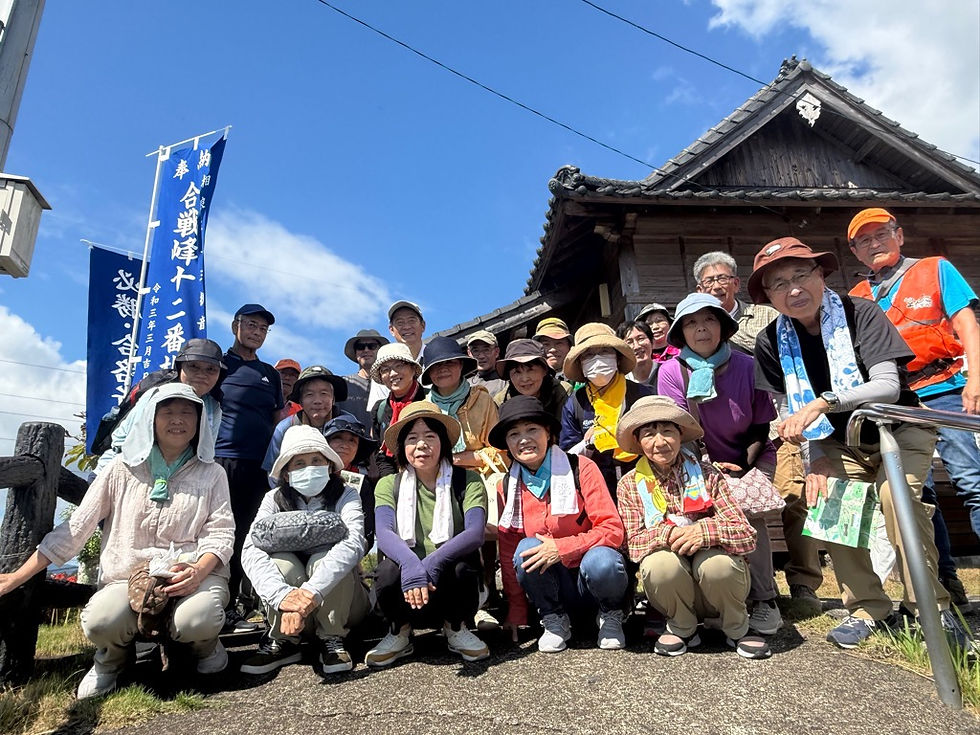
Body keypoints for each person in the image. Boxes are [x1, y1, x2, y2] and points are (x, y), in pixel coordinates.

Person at [747, 237, 967, 649]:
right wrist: (817, 460)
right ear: (768, 297)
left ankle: (931, 608)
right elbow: (789, 411)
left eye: (801, 275)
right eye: (779, 284)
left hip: (897, 429)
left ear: (821, 274)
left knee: (896, 496)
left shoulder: (860, 312)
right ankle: (869, 608)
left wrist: (825, 401)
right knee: (828, 500)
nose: (793, 289)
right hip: (835, 441)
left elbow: (886, 386)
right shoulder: (770, 340)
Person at [0, 383, 235, 698]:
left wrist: (199, 572)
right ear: (150, 418)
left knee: (199, 618)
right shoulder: (119, 470)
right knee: (101, 620)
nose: (177, 419)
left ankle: (204, 649)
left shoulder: (213, 473)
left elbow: (220, 533)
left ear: (199, 422)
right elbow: (76, 529)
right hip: (126, 576)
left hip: (192, 571)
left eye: (187, 412)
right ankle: (111, 661)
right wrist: (16, 577)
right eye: (167, 411)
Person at [847, 207, 979, 608]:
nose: (874, 244)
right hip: (897, 399)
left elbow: (966, 322)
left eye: (881, 235)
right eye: (863, 241)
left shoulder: (934, 268)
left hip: (949, 386)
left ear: (899, 235)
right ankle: (944, 581)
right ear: (854, 252)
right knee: (916, 493)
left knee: (971, 480)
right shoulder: (857, 297)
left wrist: (977, 377)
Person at [695, 250, 822, 611]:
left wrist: (727, 345)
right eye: (709, 281)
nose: (717, 286)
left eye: (723, 279)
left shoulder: (766, 315)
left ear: (736, 282)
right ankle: (742, 587)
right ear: (699, 287)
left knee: (795, 497)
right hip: (732, 431)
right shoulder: (694, 321)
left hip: (784, 418)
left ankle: (802, 583)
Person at [658, 292, 782, 636]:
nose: (701, 329)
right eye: (691, 323)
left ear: (723, 326)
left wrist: (740, 465)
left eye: (709, 320)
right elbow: (676, 427)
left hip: (750, 453)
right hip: (695, 458)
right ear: (681, 332)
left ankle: (764, 598)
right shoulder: (671, 371)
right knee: (701, 513)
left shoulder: (747, 364)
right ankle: (715, 598)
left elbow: (760, 423)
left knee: (747, 511)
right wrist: (708, 468)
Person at [615, 396, 769, 659]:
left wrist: (704, 532)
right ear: (639, 442)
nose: (660, 442)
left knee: (716, 563)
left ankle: (736, 627)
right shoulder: (629, 485)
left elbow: (746, 535)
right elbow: (632, 544)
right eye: (649, 434)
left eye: (667, 431)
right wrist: (669, 533)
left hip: (718, 586)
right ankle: (682, 627)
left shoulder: (708, 474)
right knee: (659, 564)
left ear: (680, 435)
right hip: (674, 591)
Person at [493, 396, 629, 652]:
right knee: (526, 549)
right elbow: (509, 550)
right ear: (507, 445)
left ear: (548, 433)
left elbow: (612, 530)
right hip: (555, 585)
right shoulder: (508, 485)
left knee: (602, 559)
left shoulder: (581, 468)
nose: (523, 439)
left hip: (592, 579)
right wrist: (517, 610)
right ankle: (554, 619)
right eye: (514, 434)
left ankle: (611, 615)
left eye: (532, 429)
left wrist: (561, 547)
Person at [365, 402, 490, 666]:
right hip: (406, 590)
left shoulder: (468, 480)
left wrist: (431, 564)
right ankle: (399, 631)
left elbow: (475, 533)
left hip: (449, 586)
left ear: (443, 442)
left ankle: (455, 627)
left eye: (430, 436)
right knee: (388, 572)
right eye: (412, 438)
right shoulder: (389, 484)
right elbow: (384, 532)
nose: (422, 445)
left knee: (462, 568)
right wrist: (411, 565)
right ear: (402, 448)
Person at [240, 426, 371, 676]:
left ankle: (332, 638)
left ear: (329, 466)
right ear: (287, 473)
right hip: (289, 611)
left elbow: (354, 543)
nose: (308, 468)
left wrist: (311, 592)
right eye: (298, 463)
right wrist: (283, 599)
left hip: (342, 606)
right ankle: (284, 639)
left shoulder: (347, 494)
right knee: (282, 562)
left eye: (316, 461)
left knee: (325, 559)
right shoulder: (273, 499)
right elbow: (250, 548)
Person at [421, 335, 505, 629]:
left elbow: (499, 449)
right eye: (436, 366)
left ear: (461, 365)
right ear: (429, 373)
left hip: (478, 478)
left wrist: (461, 460)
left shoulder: (482, 399)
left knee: (482, 535)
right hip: (435, 482)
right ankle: (451, 602)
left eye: (450, 363)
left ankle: (484, 602)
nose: (443, 370)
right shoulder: (425, 407)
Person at [214, 303, 284, 632]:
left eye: (262, 329)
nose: (256, 332)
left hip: (259, 466)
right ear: (235, 326)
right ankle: (214, 607)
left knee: (248, 535)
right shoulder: (217, 364)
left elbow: (276, 419)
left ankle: (234, 609)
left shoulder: (270, 374)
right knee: (219, 532)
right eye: (251, 325)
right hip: (220, 459)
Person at [94, 338, 226, 477]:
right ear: (180, 367)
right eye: (193, 366)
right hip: (121, 474)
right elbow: (121, 440)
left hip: (174, 480)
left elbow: (205, 451)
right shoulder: (157, 394)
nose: (202, 374)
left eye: (211, 369)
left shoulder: (213, 407)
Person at [559, 322, 654, 499]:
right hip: (597, 489)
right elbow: (567, 458)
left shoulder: (642, 394)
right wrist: (589, 443)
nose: (597, 359)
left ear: (617, 357)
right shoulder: (575, 403)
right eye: (588, 355)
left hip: (646, 483)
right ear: (580, 364)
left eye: (604, 351)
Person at [263, 365, 350, 480]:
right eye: (309, 394)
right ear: (300, 400)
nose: (317, 401)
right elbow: (272, 470)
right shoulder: (285, 428)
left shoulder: (348, 425)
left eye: (324, 394)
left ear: (333, 399)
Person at [369, 342, 427, 477]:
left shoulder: (429, 400)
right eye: (385, 369)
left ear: (413, 369)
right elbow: (381, 455)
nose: (393, 373)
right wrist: (391, 484)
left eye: (399, 365)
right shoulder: (381, 409)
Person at [324, 414, 379, 549]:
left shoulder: (363, 485)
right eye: (337, 438)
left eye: (352, 440)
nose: (345, 445)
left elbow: (367, 534)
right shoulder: (311, 476)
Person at [493, 338, 569, 420]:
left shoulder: (562, 391)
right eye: (517, 372)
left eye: (530, 370)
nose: (525, 379)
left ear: (544, 371)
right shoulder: (501, 401)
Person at [337, 329, 390, 429]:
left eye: (372, 346)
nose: (366, 350)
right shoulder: (342, 385)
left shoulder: (391, 384)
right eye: (360, 347)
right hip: (351, 443)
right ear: (356, 353)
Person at [618, 321, 663, 387]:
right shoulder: (621, 383)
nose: (636, 346)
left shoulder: (667, 373)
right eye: (629, 342)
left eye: (640, 339)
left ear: (652, 342)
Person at [634, 303, 679, 369]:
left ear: (670, 324)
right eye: (649, 323)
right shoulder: (639, 358)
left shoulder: (682, 352)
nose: (655, 327)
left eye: (659, 321)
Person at [466, 329, 507, 398]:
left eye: (486, 350)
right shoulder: (465, 385)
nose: (481, 356)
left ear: (496, 352)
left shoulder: (505, 382)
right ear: (469, 353)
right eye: (475, 351)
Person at [274, 359, 303, 424]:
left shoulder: (300, 411)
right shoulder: (260, 398)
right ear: (273, 375)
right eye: (283, 373)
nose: (287, 378)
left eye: (293, 375)